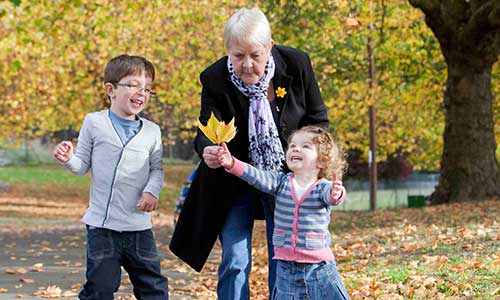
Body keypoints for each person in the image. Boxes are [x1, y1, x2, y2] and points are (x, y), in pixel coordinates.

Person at [169, 7, 329, 300]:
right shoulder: (215, 77)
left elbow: (318, 119)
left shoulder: (297, 64)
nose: (247, 65)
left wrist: (307, 156)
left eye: (255, 55)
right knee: (235, 256)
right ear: (228, 50)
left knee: (282, 254)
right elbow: (206, 129)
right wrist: (207, 150)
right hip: (234, 178)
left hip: (284, 180)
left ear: (270, 46)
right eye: (238, 55)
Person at [53, 54, 169, 300]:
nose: (142, 93)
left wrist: (152, 191)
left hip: (139, 228)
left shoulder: (152, 132)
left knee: (154, 289)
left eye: (147, 88)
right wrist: (68, 159)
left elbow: (157, 169)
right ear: (111, 89)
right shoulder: (94, 123)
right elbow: (82, 165)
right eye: (133, 85)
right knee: (100, 289)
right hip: (103, 228)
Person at [217, 126, 350, 300]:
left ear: (322, 161)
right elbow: (256, 175)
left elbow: (333, 197)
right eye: (293, 145)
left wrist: (337, 193)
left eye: (305, 146)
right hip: (286, 270)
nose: (296, 148)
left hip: (319, 269)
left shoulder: (322, 187)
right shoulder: (280, 182)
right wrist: (233, 163)